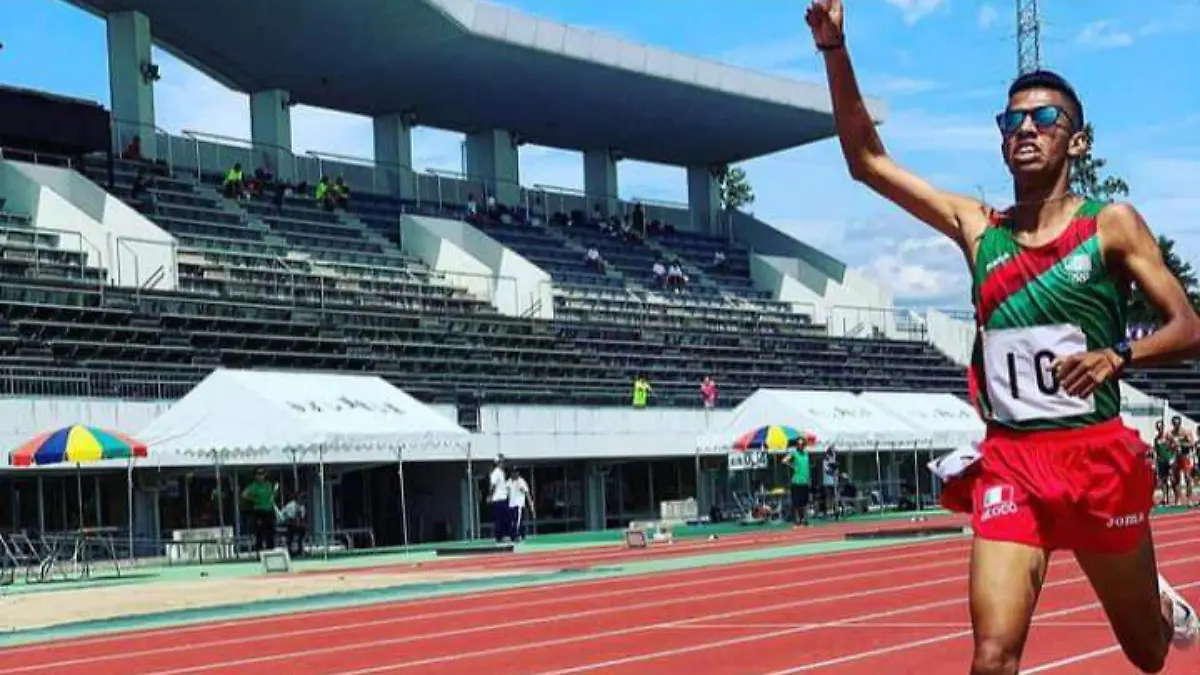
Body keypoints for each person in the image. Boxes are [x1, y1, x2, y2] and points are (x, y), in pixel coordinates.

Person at [805, 1, 1200, 672]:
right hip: (1012, 463)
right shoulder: (976, 226)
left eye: (1045, 119)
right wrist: (834, 52)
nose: (1026, 128)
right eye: (1012, 119)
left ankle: (1156, 604)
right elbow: (868, 162)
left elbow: (1189, 327)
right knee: (992, 654)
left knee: (1148, 654)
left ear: (1077, 141)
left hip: (1095, 457)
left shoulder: (1111, 226)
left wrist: (1119, 355)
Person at [240, 469, 278, 552]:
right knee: (260, 532)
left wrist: (273, 497)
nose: (260, 476)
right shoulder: (254, 486)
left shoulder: (268, 485)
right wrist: (254, 499)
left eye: (262, 474)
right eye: (258, 474)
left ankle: (270, 549)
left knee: (270, 532)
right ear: (255, 476)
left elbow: (272, 494)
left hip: (269, 510)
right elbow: (244, 494)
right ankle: (259, 550)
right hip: (259, 511)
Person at [782, 443, 811, 527]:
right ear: (797, 446)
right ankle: (797, 521)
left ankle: (805, 521)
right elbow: (784, 460)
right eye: (799, 444)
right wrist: (792, 466)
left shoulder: (806, 454)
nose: (801, 446)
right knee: (796, 503)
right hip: (797, 481)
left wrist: (809, 478)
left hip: (805, 481)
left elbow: (807, 467)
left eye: (802, 444)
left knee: (805, 503)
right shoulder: (794, 453)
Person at [507, 469, 534, 542]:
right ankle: (516, 535)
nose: (514, 474)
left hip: (518, 504)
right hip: (511, 504)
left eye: (515, 473)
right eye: (512, 473)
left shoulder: (521, 481)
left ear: (518, 473)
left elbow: (526, 493)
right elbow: (507, 492)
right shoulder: (509, 481)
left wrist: (530, 503)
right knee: (512, 521)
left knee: (517, 521)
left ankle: (518, 535)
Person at [279, 491, 307, 557]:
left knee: (301, 534)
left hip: (298, 525)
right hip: (290, 524)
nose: (303, 501)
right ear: (297, 498)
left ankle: (300, 551)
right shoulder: (290, 505)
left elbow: (302, 517)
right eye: (301, 499)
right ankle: (290, 552)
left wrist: (302, 524)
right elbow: (288, 517)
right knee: (290, 537)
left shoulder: (302, 507)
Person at [488, 456, 509, 543]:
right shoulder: (496, 473)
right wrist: (490, 496)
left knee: (504, 518)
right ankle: (499, 536)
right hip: (498, 499)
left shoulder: (501, 473)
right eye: (501, 462)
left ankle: (503, 535)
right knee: (499, 519)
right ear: (497, 463)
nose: (503, 463)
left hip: (503, 498)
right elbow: (492, 486)